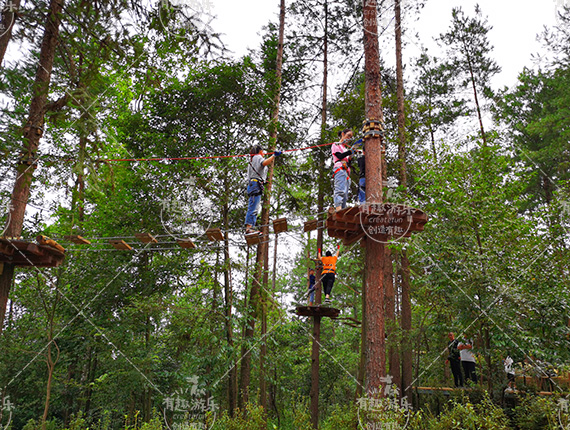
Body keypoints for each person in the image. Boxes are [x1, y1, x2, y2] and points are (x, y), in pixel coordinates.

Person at [244, 145, 281, 234]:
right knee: (253, 207)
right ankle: (249, 228)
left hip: (253, 184)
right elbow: (264, 163)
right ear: (260, 151)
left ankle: (250, 227)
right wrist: (274, 156)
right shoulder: (258, 157)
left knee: (254, 206)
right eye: (263, 151)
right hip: (255, 185)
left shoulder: (252, 160)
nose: (264, 153)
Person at [332, 129, 354, 211]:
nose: (349, 138)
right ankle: (338, 209)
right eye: (348, 136)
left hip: (346, 171)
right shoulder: (336, 145)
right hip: (340, 169)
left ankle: (343, 210)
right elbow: (339, 156)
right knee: (340, 190)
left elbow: (348, 162)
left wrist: (350, 157)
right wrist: (349, 152)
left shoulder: (344, 148)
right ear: (343, 134)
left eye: (351, 137)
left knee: (345, 194)